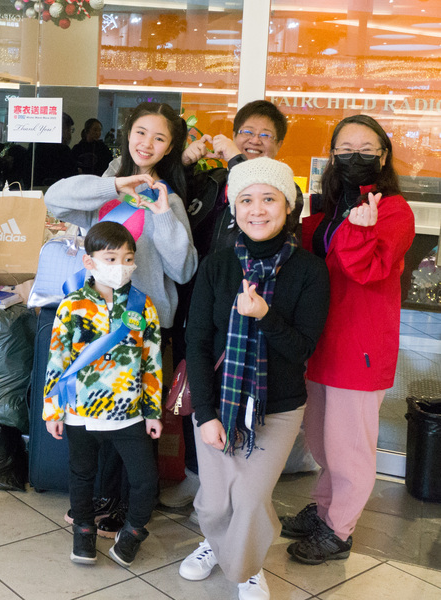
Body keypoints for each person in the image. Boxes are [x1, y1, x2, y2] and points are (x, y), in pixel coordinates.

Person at [179, 158, 329, 599]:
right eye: (246, 199)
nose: (257, 209)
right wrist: (205, 414)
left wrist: (264, 316)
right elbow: (198, 344)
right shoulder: (217, 266)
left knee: (247, 499)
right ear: (232, 207)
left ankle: (245, 567)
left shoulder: (309, 271)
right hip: (219, 401)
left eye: (269, 198)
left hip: (277, 408)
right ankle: (215, 540)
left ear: (288, 207)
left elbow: (303, 348)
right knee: (213, 501)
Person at [45, 102, 198, 533]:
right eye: (141, 132)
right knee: (90, 419)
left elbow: (184, 270)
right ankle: (91, 500)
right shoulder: (102, 189)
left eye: (160, 138)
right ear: (127, 134)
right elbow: (53, 200)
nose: (147, 143)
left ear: (169, 148)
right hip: (93, 321)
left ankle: (121, 506)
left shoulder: (168, 201)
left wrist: (162, 212)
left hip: (141, 326)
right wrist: (115, 187)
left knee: (129, 426)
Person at [280, 115, 415, 565]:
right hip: (322, 340)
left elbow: (369, 269)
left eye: (366, 148)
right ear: (332, 155)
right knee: (320, 439)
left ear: (383, 155)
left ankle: (338, 532)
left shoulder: (394, 211)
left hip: (361, 345)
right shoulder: (330, 207)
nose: (354, 156)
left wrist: (359, 229)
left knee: (349, 446)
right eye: (345, 148)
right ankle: (324, 508)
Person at [163, 99, 302, 510]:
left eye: (265, 135)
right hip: (203, 302)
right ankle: (197, 474)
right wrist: (185, 164)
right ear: (233, 131)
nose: (254, 140)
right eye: (247, 132)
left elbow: (275, 227)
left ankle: (240, 488)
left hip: (260, 309)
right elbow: (170, 204)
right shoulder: (211, 184)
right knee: (197, 386)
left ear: (277, 145)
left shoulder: (282, 191)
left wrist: (240, 160)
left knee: (247, 392)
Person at [43, 221, 163, 567]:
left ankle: (133, 532)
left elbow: (151, 361)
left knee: (144, 481)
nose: (120, 266)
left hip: (129, 413)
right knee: (81, 475)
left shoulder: (142, 305)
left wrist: (153, 411)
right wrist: (53, 410)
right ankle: (83, 532)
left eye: (127, 258)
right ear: (89, 261)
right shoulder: (72, 305)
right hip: (80, 410)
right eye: (110, 258)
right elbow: (57, 359)